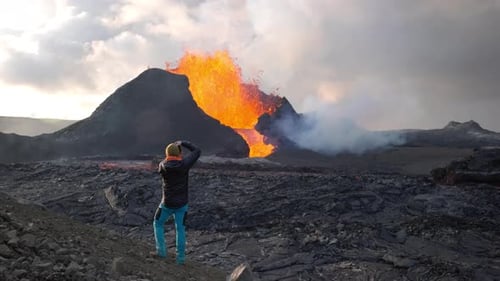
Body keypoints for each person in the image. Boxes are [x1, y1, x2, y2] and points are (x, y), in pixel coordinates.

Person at [153, 140, 201, 264]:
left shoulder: (162, 165)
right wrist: (184, 143)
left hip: (167, 204)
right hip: (182, 204)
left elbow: (167, 161)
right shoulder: (184, 165)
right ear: (179, 153)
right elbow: (197, 151)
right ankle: (180, 259)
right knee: (180, 229)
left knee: (157, 223)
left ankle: (161, 251)